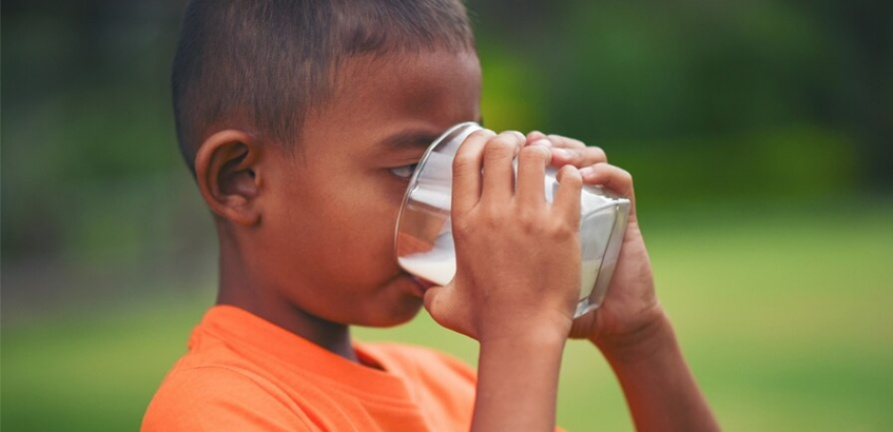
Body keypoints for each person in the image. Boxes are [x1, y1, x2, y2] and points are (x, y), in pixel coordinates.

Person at [142, 1, 720, 431]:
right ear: (239, 179)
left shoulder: (453, 389)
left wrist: (640, 338)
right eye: (410, 168)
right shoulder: (214, 411)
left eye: (458, 156)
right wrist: (520, 333)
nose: (453, 208)